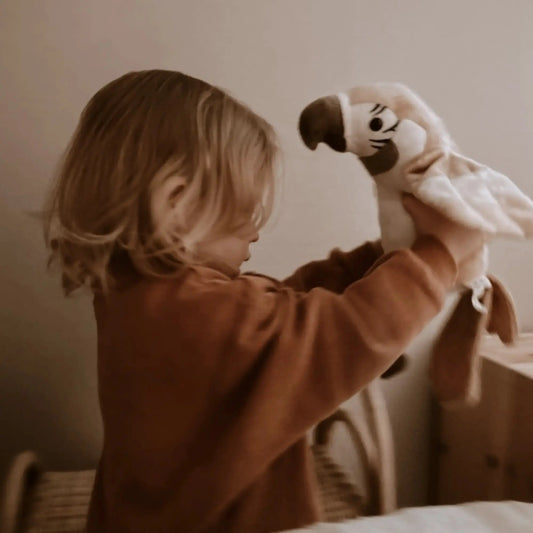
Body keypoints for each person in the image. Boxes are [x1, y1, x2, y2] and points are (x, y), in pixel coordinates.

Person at [43, 70, 484, 533]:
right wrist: (439, 253)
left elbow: (271, 321)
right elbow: (337, 335)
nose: (254, 232)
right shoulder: (197, 311)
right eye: (244, 213)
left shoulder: (140, 296)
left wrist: (376, 259)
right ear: (177, 205)